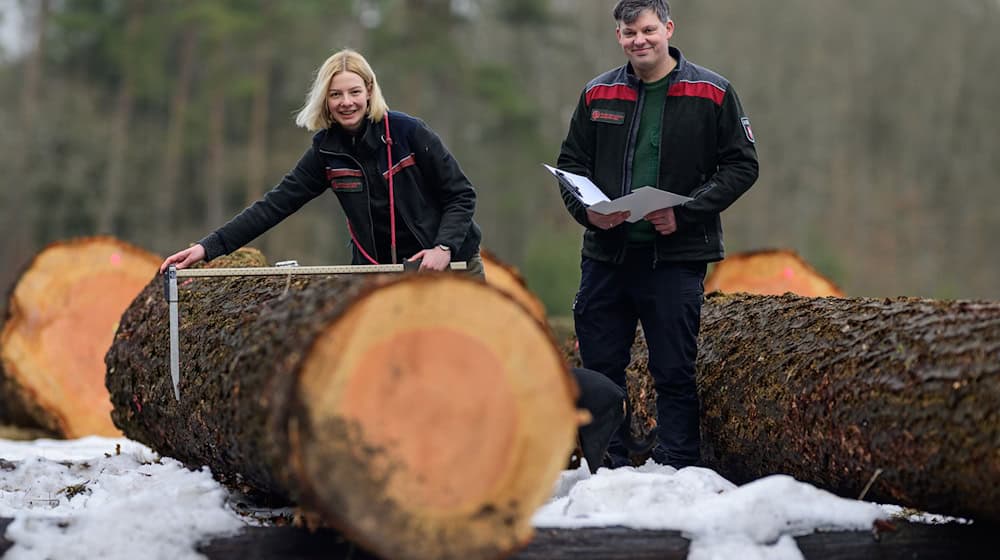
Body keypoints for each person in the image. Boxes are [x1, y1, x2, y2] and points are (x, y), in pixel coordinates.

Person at [556, 0, 758, 469]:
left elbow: (743, 165)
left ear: (668, 28)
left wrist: (685, 212)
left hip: (676, 255)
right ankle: (607, 466)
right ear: (619, 37)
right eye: (629, 34)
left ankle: (678, 469)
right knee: (601, 371)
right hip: (606, 256)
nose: (639, 41)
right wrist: (589, 214)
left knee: (673, 370)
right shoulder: (597, 94)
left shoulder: (713, 92)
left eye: (648, 30)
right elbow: (569, 166)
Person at [159, 49, 484, 277]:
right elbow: (274, 206)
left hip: (451, 265)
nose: (346, 102)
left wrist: (443, 247)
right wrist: (207, 248)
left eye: (354, 92)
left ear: (369, 91)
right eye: (336, 95)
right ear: (324, 100)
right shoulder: (326, 152)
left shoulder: (409, 132)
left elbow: (461, 193)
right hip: (381, 274)